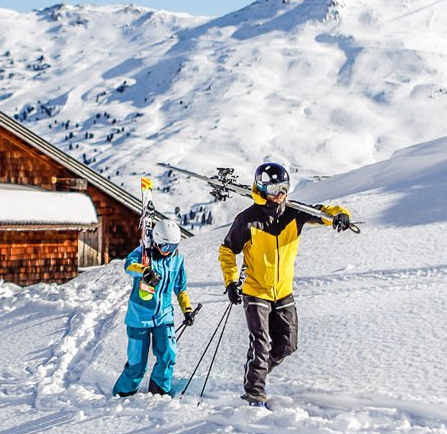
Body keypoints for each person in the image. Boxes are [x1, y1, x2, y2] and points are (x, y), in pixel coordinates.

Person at [218, 161, 354, 406]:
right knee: (261, 343)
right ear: (261, 188)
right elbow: (227, 250)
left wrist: (339, 215)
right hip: (256, 290)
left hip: (283, 291)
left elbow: (324, 211)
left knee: (287, 344)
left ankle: (256, 373)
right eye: (274, 189)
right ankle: (254, 394)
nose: (280, 194)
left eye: (284, 188)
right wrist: (230, 282)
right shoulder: (247, 220)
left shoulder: (293, 212)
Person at [114, 218, 197, 397]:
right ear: (157, 241)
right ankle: (123, 394)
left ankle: (159, 391)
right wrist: (144, 271)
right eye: (166, 247)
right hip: (139, 317)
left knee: (168, 356)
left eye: (174, 247)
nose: (170, 252)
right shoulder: (143, 253)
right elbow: (128, 266)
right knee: (137, 364)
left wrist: (187, 310)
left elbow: (181, 289)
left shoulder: (177, 259)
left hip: (164, 316)